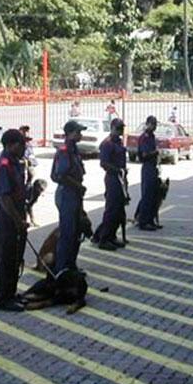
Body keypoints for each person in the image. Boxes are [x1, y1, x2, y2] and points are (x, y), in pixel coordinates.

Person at [0, 129, 30, 312]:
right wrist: (17, 220)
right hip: (7, 219)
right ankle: (4, 299)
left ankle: (11, 293)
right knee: (7, 260)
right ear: (11, 145)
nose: (24, 148)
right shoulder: (3, 165)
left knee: (15, 259)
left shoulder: (15, 164)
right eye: (21, 144)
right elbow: (5, 198)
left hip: (16, 217)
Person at [51, 120, 87, 276]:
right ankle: (62, 269)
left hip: (75, 194)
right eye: (78, 132)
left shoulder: (73, 150)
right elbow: (61, 175)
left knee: (75, 233)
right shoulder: (65, 151)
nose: (80, 135)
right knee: (67, 233)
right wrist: (78, 186)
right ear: (70, 133)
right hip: (67, 194)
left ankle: (71, 266)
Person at [93, 118, 128, 250]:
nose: (120, 131)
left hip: (121, 178)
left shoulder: (118, 142)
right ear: (112, 127)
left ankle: (111, 236)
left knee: (119, 210)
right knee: (112, 210)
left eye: (121, 128)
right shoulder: (107, 144)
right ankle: (104, 239)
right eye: (118, 128)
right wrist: (117, 170)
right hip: (113, 178)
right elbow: (104, 163)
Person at [137, 115, 160, 231]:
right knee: (147, 195)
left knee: (153, 195)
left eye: (155, 124)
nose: (154, 126)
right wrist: (155, 153)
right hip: (147, 167)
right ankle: (143, 221)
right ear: (147, 124)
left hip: (153, 167)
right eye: (152, 124)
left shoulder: (151, 137)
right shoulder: (144, 137)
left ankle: (151, 220)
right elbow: (144, 155)